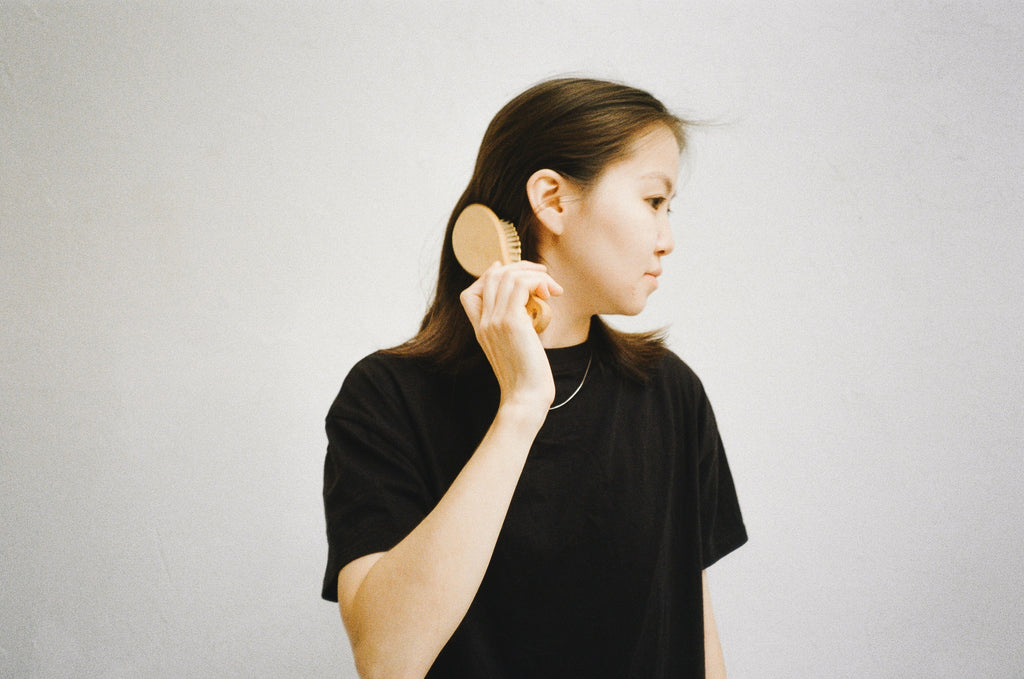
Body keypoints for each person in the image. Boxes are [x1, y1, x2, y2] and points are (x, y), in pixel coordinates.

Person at [321, 77, 747, 679]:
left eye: (669, 209)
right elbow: (388, 660)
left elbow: (694, 631)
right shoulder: (388, 396)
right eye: (654, 201)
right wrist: (522, 406)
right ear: (551, 199)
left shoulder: (671, 392)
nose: (667, 239)